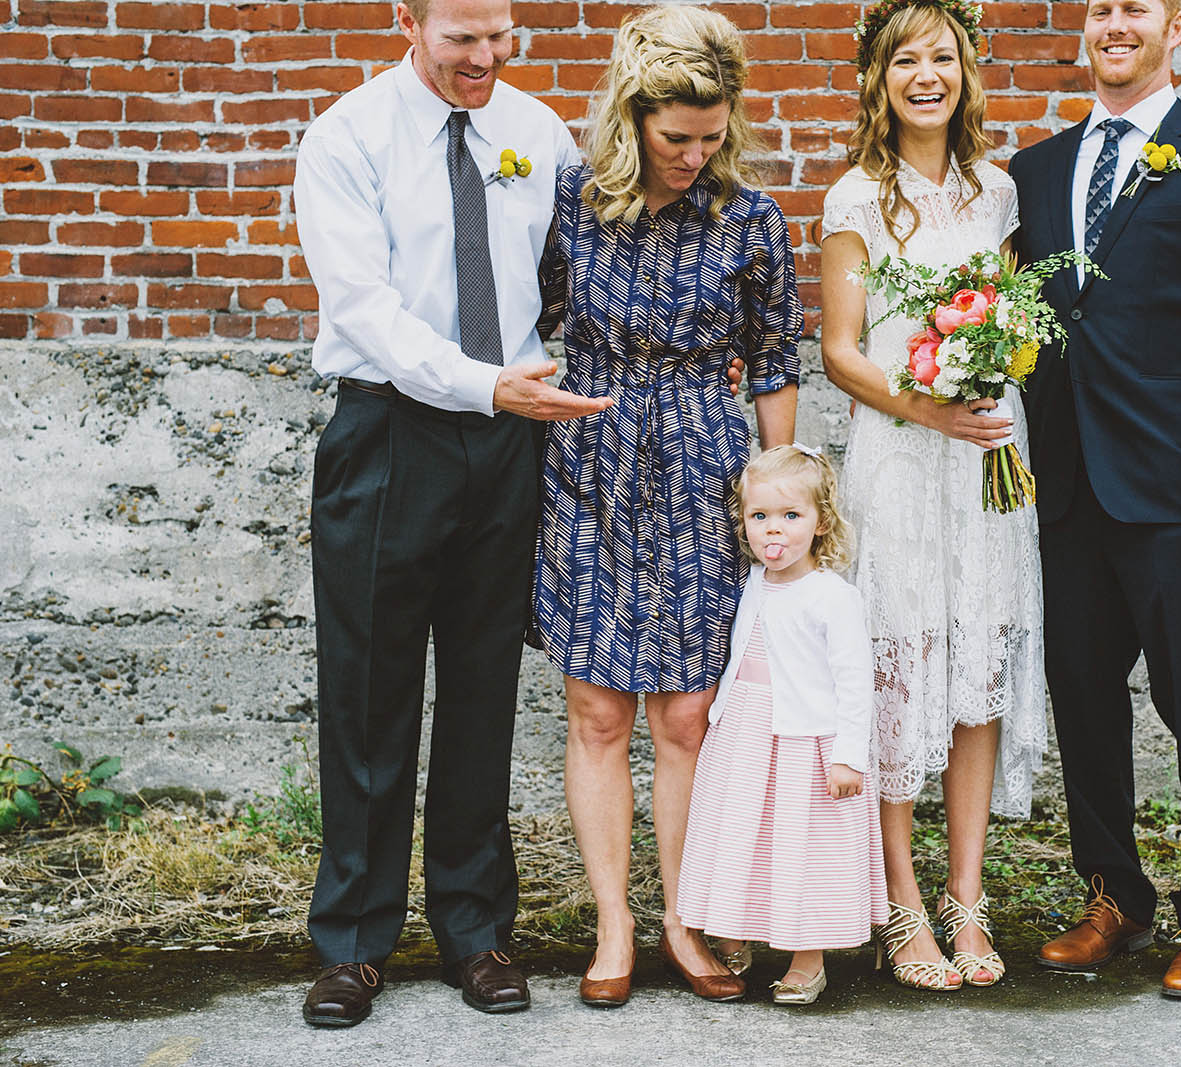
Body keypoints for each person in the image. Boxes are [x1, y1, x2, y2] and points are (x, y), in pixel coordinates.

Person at [292, 0, 610, 1027]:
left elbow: (570, 278)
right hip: (388, 434)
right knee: (370, 693)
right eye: (461, 38)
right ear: (407, 21)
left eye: (499, 36)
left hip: (508, 443)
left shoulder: (538, 133)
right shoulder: (346, 139)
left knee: (481, 687)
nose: (485, 59)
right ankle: (352, 941)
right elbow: (365, 308)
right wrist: (483, 383)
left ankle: (476, 930)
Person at [1009, 0, 1181, 999]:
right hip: (1063, 485)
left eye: (1138, 7)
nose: (1113, 22)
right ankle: (1111, 895)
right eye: (1100, 8)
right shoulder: (1032, 170)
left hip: (1176, 489)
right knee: (1082, 697)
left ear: (1179, 34)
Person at [534, 4, 802, 1007]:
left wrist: (782, 500)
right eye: (675, 137)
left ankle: (686, 916)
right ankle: (614, 921)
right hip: (591, 454)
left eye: (712, 135)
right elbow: (534, 319)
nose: (696, 154)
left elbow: (774, 360)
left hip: (703, 464)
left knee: (687, 714)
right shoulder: (573, 200)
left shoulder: (751, 219)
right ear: (631, 120)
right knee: (599, 709)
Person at [819, 0, 1048, 992]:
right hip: (901, 456)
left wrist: (992, 373)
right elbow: (837, 349)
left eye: (941, 56)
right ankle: (900, 901)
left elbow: (1007, 320)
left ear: (964, 73)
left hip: (986, 456)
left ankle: (968, 896)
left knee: (977, 652)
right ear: (879, 77)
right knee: (900, 662)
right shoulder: (855, 199)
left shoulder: (995, 191)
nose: (925, 73)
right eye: (904, 58)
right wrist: (927, 403)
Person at [674, 446, 889, 1006]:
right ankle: (734, 926)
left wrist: (848, 755)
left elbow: (854, 683)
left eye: (791, 516)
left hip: (804, 741)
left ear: (821, 523)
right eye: (759, 516)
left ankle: (807, 957)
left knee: (804, 844)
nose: (775, 529)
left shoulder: (833, 597)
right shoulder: (746, 582)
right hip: (745, 730)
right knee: (744, 836)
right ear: (742, 522)